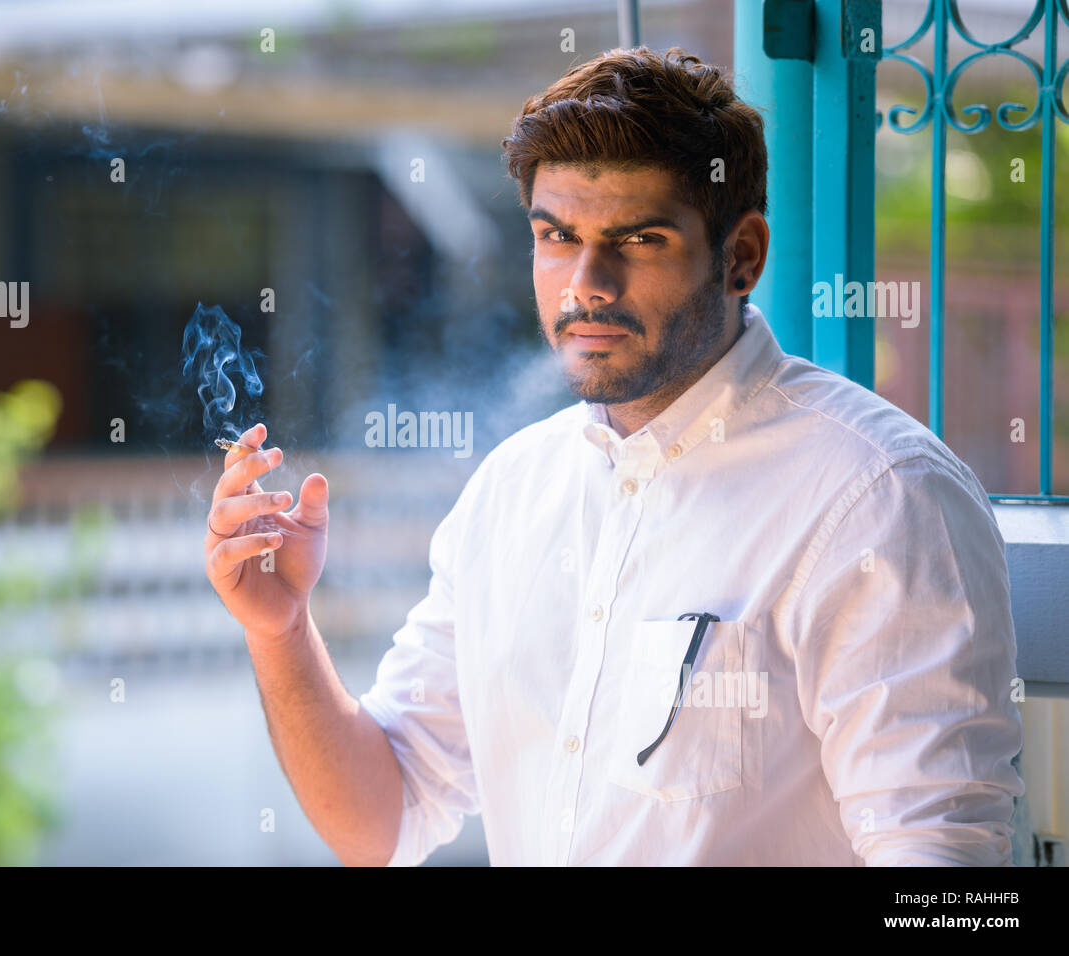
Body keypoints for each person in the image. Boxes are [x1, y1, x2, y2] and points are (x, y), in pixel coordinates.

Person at [203, 46, 1024, 866]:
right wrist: (280, 631)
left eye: (637, 238)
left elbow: (942, 872)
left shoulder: (878, 496)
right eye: (556, 237)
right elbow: (379, 819)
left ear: (742, 256)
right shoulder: (509, 494)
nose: (586, 283)